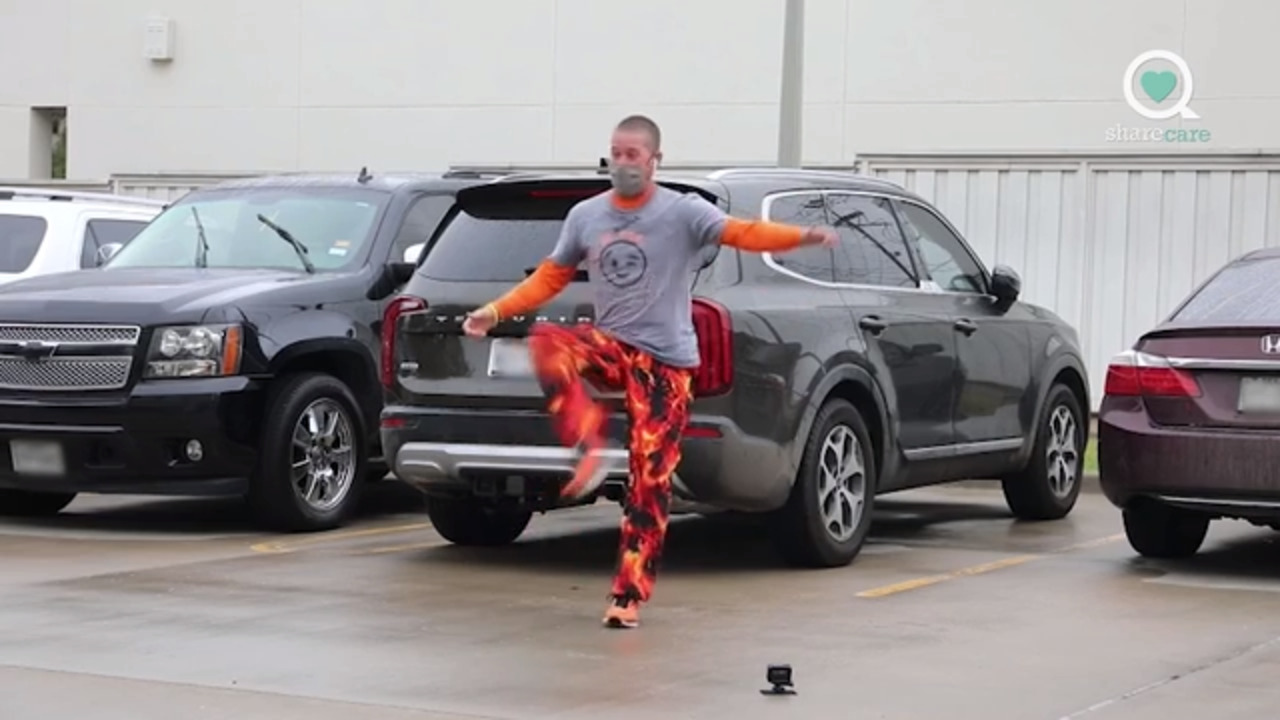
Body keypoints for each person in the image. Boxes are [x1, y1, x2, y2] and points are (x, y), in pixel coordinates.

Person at [462, 114, 837, 629]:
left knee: (649, 480)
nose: (622, 163)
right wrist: (496, 311)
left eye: (633, 155)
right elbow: (551, 276)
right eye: (615, 153)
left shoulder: (683, 213)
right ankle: (588, 444)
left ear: (655, 160)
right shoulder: (586, 216)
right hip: (615, 347)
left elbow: (742, 232)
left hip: (665, 365)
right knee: (548, 340)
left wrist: (802, 237)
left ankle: (627, 596)